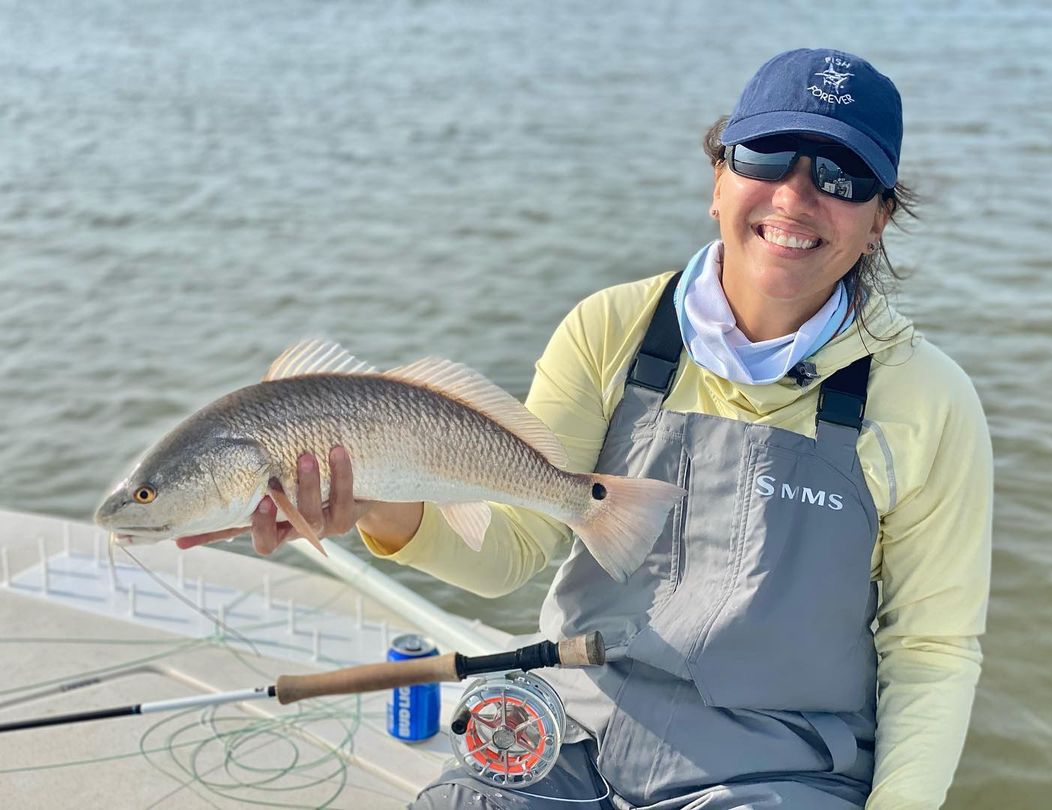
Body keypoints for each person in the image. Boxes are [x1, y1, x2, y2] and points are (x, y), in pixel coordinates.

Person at [180, 49, 992, 809]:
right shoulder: (612, 328)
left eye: (843, 176)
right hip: (568, 733)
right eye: (766, 159)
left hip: (778, 772)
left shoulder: (927, 398)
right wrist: (371, 509)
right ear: (718, 178)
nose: (793, 197)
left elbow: (932, 652)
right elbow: (509, 555)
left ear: (880, 218)